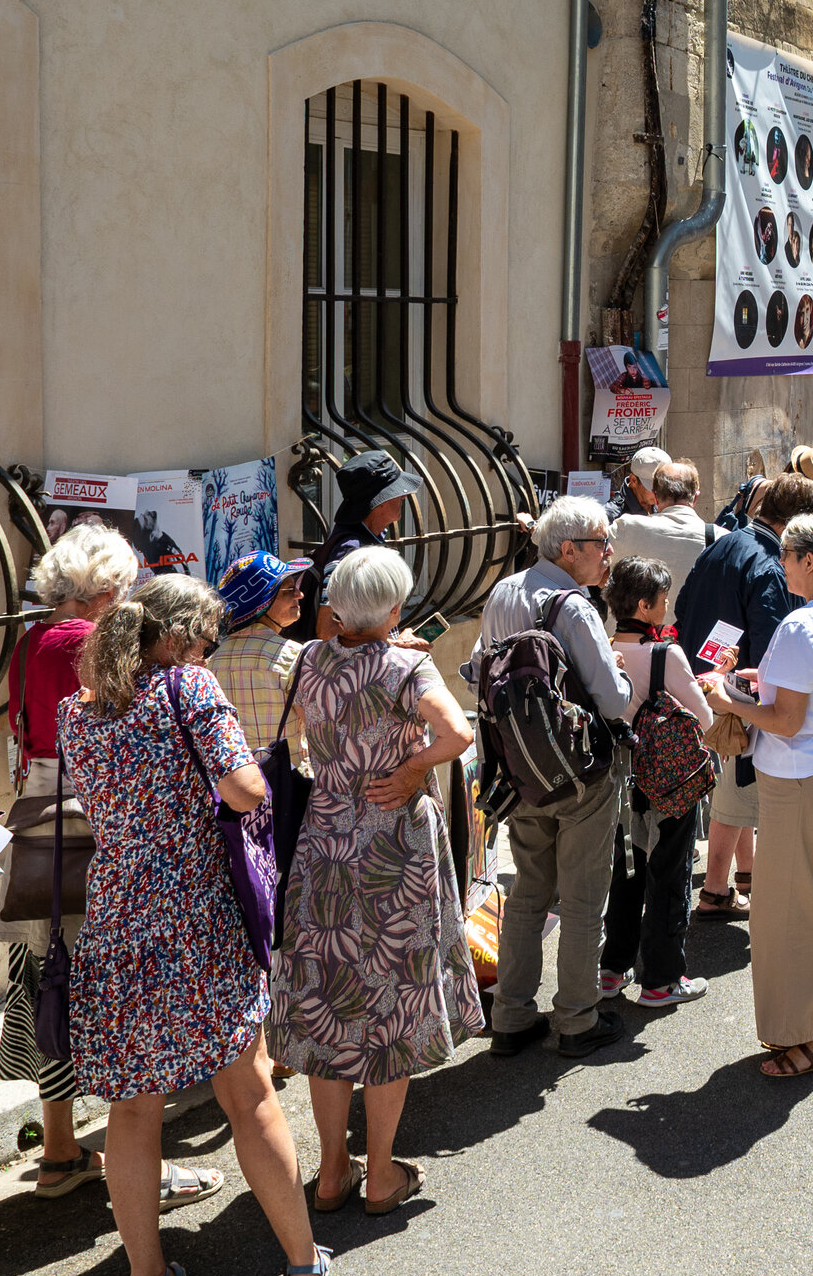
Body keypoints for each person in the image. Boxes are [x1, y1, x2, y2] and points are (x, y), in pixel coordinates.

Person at [60, 578, 327, 1276]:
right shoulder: (189, 687)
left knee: (132, 1112)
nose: (209, 651)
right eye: (206, 639)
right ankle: (302, 1263)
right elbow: (245, 789)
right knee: (249, 1095)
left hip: (117, 922)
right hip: (197, 919)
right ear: (177, 637)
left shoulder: (78, 710)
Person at [268, 548, 481, 1214]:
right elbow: (458, 734)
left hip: (326, 841)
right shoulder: (408, 666)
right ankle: (382, 1173)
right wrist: (413, 769)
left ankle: (333, 1170)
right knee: (393, 1001)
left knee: (330, 1000)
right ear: (393, 608)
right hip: (395, 845)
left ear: (334, 608)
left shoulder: (305, 659)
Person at [0, 525, 193, 1207]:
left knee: (47, 977)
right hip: (91, 820)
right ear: (108, 588)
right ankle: (138, 1166)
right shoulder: (91, 643)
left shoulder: (29, 641)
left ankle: (60, 1150)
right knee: (108, 991)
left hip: (39, 820)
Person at [700, 515, 813, 1078]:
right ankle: (812, 1030)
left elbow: (786, 721)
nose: (781, 562)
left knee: (794, 917)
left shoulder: (804, 624)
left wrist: (726, 701)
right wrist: (759, 680)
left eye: (788, 553)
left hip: (801, 782)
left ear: (810, 562)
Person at [473, 497, 634, 1058]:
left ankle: (512, 1016)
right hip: (580, 773)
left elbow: (477, 670)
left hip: (518, 772)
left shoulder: (504, 592)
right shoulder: (574, 607)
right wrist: (620, 675)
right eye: (602, 544)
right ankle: (577, 1019)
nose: (608, 553)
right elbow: (613, 701)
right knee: (584, 900)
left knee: (528, 893)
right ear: (569, 550)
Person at [674, 473, 813, 917]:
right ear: (797, 521)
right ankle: (716, 889)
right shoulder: (772, 564)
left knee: (734, 784)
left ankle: (742, 877)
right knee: (738, 789)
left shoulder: (724, 541)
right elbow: (775, 643)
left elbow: (682, 605)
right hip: (740, 691)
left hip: (703, 679)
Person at [602, 558, 714, 1007]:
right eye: (663, 599)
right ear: (644, 606)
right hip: (667, 779)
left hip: (618, 781)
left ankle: (612, 969)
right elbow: (703, 718)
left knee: (625, 873)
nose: (667, 606)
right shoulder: (665, 655)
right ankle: (661, 981)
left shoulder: (602, 649)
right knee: (669, 873)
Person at [289, 449, 423, 641]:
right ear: (380, 501)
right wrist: (394, 645)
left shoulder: (370, 539)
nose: (403, 497)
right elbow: (326, 629)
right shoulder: (349, 551)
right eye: (397, 492)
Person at [208, 550, 311, 758]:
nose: (299, 594)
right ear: (263, 602)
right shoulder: (293, 655)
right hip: (288, 774)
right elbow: (316, 727)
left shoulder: (212, 660)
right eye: (288, 589)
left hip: (236, 776)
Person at [608, 460, 719, 596]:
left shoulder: (625, 528)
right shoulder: (722, 538)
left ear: (655, 497)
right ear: (695, 498)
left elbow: (594, 567)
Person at [610, 446, 671, 523]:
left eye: (663, 488)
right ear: (633, 480)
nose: (660, 495)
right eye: (654, 489)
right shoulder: (613, 515)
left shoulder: (667, 507)